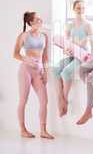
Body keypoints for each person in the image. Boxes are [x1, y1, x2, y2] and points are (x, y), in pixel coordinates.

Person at [13, 11, 54, 139]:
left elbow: (46, 57)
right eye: (37, 19)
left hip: (39, 72)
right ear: (30, 22)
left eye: (39, 18)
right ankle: (23, 129)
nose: (40, 20)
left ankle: (43, 130)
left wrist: (46, 72)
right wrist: (26, 59)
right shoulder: (24, 36)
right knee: (23, 100)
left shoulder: (44, 36)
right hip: (26, 70)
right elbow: (15, 54)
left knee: (44, 100)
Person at [53, 0, 93, 116]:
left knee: (66, 72)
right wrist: (65, 51)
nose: (80, 10)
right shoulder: (70, 25)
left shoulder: (87, 25)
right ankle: (60, 98)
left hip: (82, 55)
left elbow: (92, 43)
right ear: (74, 9)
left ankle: (64, 101)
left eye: (82, 8)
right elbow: (65, 43)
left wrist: (92, 57)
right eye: (78, 8)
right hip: (72, 54)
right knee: (55, 68)